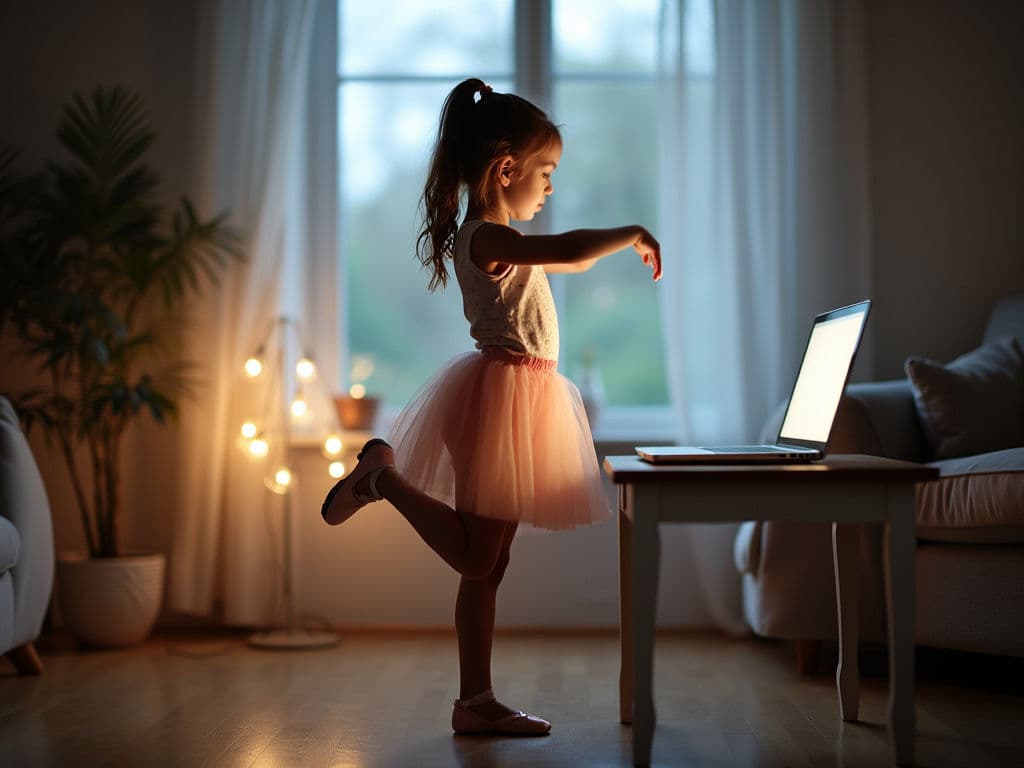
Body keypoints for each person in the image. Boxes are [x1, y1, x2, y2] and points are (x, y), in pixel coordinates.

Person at [321, 77, 661, 736]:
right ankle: (380, 476)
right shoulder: (484, 236)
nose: (551, 188)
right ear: (506, 169)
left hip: (520, 397)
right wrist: (633, 232)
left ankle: (473, 701)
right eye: (546, 172)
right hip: (497, 400)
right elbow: (564, 252)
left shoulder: (494, 233)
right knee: (479, 558)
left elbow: (552, 259)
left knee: (489, 563)